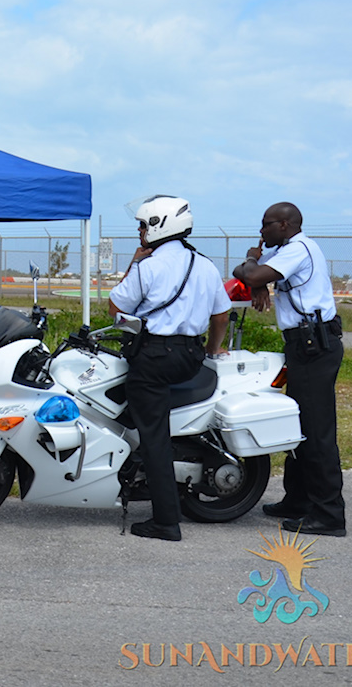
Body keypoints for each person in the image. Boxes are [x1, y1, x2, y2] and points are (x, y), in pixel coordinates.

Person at [108, 195, 231, 542]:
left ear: (160, 226)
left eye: (143, 225)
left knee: (154, 436)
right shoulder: (205, 265)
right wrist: (211, 349)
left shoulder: (149, 266)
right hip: (190, 357)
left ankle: (165, 521)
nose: (140, 231)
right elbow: (220, 316)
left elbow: (116, 306)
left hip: (155, 358)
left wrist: (134, 263)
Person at [231, 202, 345, 537]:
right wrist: (256, 283)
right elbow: (253, 279)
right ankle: (297, 501)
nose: (261, 232)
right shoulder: (290, 250)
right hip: (303, 345)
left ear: (284, 224)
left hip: (314, 346)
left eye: (265, 225)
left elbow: (250, 271)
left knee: (317, 431)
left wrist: (253, 260)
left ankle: (329, 515)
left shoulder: (298, 249)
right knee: (299, 426)